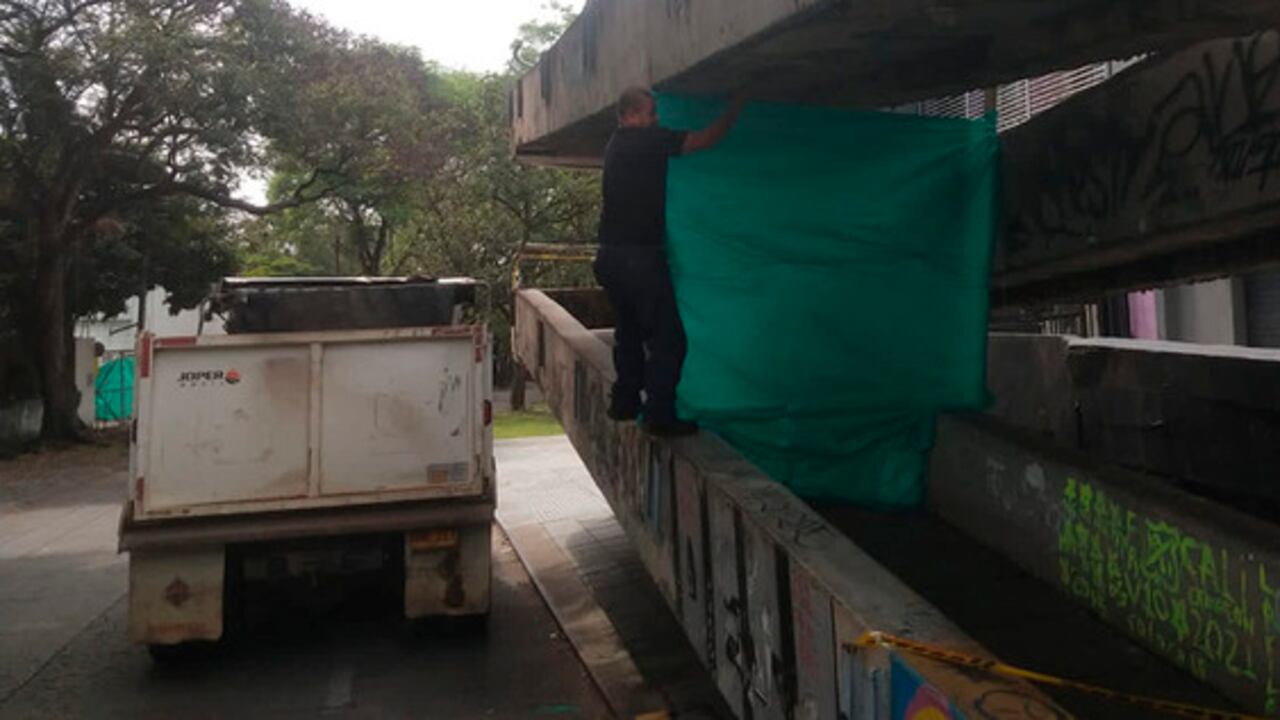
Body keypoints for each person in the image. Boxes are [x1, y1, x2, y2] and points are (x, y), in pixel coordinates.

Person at [594, 87, 744, 437]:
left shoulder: (616, 145)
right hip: (638, 258)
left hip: (609, 256)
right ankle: (660, 412)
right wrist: (736, 107)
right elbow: (704, 139)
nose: (656, 120)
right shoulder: (643, 141)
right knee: (668, 338)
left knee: (629, 331)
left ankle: (625, 400)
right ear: (630, 115)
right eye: (650, 114)